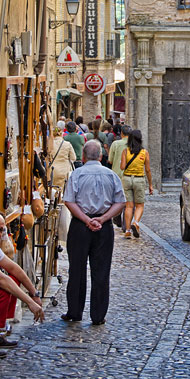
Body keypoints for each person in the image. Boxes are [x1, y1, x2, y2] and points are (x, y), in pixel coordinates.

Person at [62, 140, 125, 325]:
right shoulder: (111, 175)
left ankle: (74, 311)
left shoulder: (77, 174)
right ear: (100, 156)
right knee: (101, 270)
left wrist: (86, 219)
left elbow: (69, 201)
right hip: (103, 228)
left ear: (83, 156)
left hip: (81, 226)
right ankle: (98, 315)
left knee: (76, 269)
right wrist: (103, 219)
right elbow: (120, 202)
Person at [0, 211, 45, 357]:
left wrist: (34, 294)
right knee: (0, 287)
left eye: (1, 230)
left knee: (14, 279)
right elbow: (2, 279)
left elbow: (14, 269)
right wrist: (30, 302)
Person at [120, 129, 153, 239]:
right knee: (139, 205)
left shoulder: (125, 151)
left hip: (127, 179)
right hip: (139, 179)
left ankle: (128, 230)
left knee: (129, 206)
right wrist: (150, 185)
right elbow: (148, 170)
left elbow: (122, 167)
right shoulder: (144, 152)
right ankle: (136, 222)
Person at [108, 125, 132, 228]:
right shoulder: (133, 145)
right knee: (128, 199)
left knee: (117, 197)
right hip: (130, 174)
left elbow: (110, 160)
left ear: (121, 133)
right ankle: (126, 223)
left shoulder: (116, 144)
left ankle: (117, 218)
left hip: (117, 174)